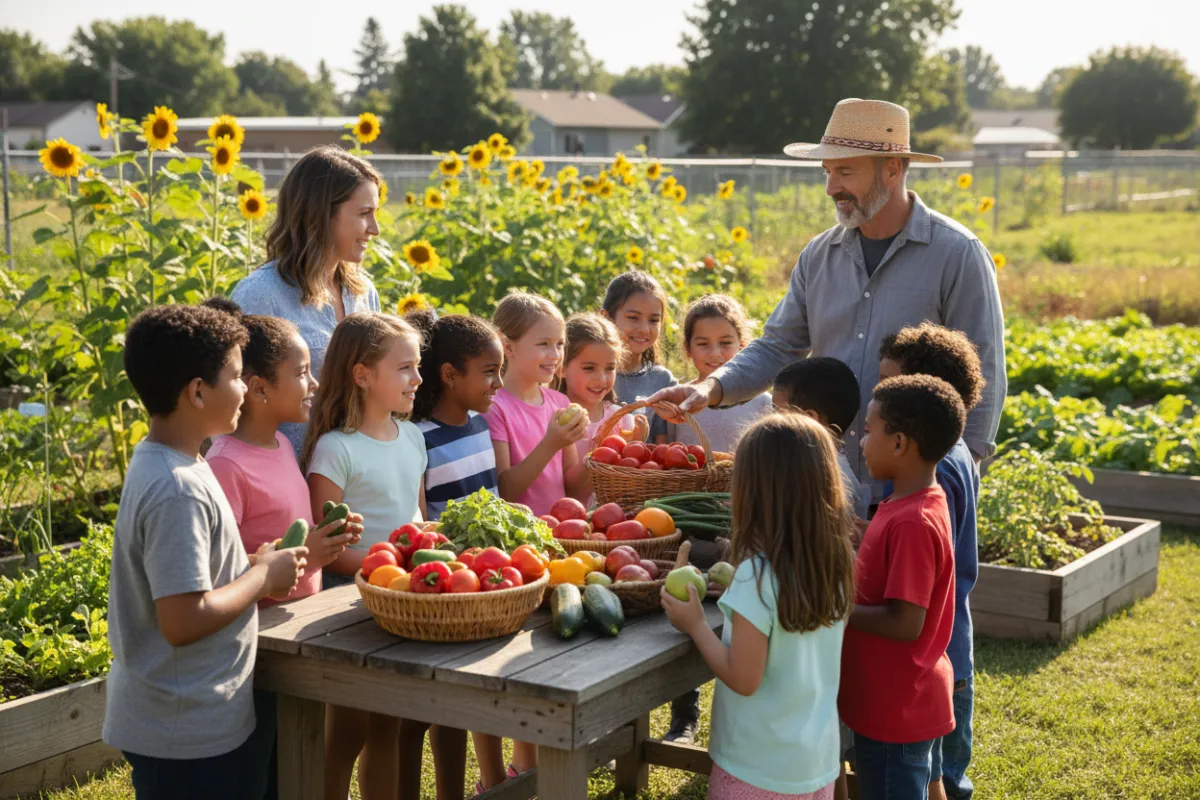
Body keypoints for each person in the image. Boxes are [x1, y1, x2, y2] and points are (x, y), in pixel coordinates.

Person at [647, 99, 1006, 504]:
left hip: (917, 486)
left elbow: (983, 371)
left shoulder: (956, 254)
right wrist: (710, 388)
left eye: (845, 171)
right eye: (828, 171)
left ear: (891, 169)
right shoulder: (819, 256)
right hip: (830, 479)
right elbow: (780, 346)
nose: (831, 187)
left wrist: (961, 471)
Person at [104, 304, 307, 800]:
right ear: (198, 391)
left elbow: (195, 580)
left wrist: (251, 564)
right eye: (237, 376)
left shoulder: (178, 462)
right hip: (183, 734)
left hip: (190, 721)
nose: (243, 388)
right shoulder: (178, 489)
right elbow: (182, 618)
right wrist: (263, 579)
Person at [661, 412, 856, 800]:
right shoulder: (836, 562)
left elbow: (743, 678)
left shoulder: (757, 576)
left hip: (756, 767)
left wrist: (696, 624)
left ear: (754, 491)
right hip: (814, 762)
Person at [302, 312, 426, 800]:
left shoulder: (412, 437)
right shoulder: (335, 449)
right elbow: (330, 554)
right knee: (347, 732)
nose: (418, 378)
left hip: (403, 603)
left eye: (417, 367)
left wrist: (426, 551)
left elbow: (416, 517)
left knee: (389, 727)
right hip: (350, 608)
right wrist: (393, 565)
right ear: (362, 375)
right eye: (405, 368)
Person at [841, 375, 965, 800]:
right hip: (903, 698)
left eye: (870, 430)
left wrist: (835, 609)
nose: (861, 442)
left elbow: (906, 622)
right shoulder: (913, 501)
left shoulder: (911, 521)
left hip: (896, 708)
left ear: (899, 444)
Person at [484, 291, 590, 777]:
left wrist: (605, 445)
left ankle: (533, 763)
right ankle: (517, 768)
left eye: (560, 344)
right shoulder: (496, 408)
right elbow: (507, 487)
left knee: (553, 652)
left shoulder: (560, 401)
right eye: (543, 344)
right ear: (507, 345)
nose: (555, 356)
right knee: (517, 663)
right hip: (517, 553)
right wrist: (551, 440)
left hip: (562, 543)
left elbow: (573, 484)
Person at [878, 324, 985, 800]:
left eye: (887, 385)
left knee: (927, 778)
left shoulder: (927, 478)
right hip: (948, 649)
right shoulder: (954, 453)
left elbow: (915, 576)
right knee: (934, 779)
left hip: (930, 657)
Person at [406, 309, 504, 797]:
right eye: (489, 372)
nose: (498, 384)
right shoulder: (419, 437)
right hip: (446, 587)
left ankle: (481, 781)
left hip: (484, 585)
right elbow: (424, 519)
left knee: (474, 699)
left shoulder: (480, 427)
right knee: (439, 707)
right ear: (449, 375)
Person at [231, 145, 384, 456]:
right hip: (289, 479)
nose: (375, 229)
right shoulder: (260, 295)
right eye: (364, 213)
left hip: (359, 478)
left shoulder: (363, 292)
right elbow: (234, 403)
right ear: (321, 214)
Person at [663, 294, 772, 451]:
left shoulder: (762, 403)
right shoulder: (680, 400)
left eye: (725, 343)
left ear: (742, 346)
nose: (715, 353)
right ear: (688, 349)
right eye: (703, 344)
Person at [771, 358, 867, 520]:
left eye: (778, 412)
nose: (771, 421)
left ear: (808, 419)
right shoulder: (807, 465)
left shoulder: (829, 480)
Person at [557, 312, 641, 494]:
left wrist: (637, 444)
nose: (601, 379)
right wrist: (601, 452)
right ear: (562, 368)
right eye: (589, 368)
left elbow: (629, 483)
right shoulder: (556, 418)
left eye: (610, 368)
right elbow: (570, 488)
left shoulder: (622, 419)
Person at [602, 271, 676, 442]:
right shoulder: (589, 373)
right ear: (606, 318)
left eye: (653, 320)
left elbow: (661, 449)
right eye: (633, 318)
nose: (644, 329)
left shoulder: (663, 381)